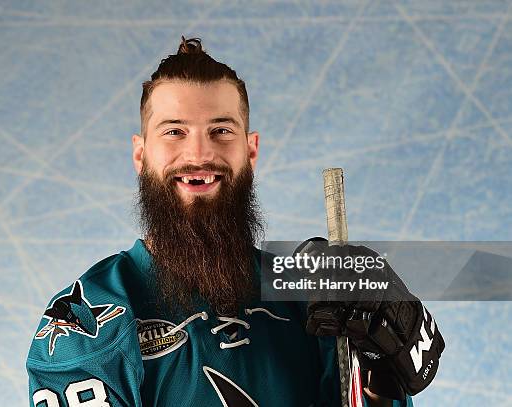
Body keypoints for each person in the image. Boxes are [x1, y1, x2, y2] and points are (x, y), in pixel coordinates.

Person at [26, 37, 444, 407]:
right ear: (141, 155)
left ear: (250, 150)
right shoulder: (88, 317)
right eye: (174, 132)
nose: (200, 154)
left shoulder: (313, 299)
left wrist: (376, 375)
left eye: (221, 130)